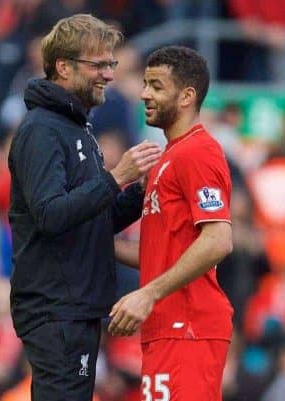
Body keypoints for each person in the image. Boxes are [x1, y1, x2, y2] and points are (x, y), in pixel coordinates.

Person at [8, 14, 162, 401]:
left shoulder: (76, 126)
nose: (109, 74)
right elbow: (50, 215)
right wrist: (116, 177)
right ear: (64, 67)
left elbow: (93, 220)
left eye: (111, 64)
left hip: (75, 306)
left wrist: (142, 190)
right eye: (98, 64)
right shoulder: (43, 129)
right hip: (56, 307)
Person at [108, 45, 234, 401]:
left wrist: (147, 293)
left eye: (157, 86)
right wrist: (102, 245)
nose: (145, 93)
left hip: (189, 326)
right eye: (146, 84)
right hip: (168, 326)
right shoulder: (169, 157)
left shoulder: (198, 152)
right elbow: (162, 253)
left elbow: (218, 240)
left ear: (187, 96)